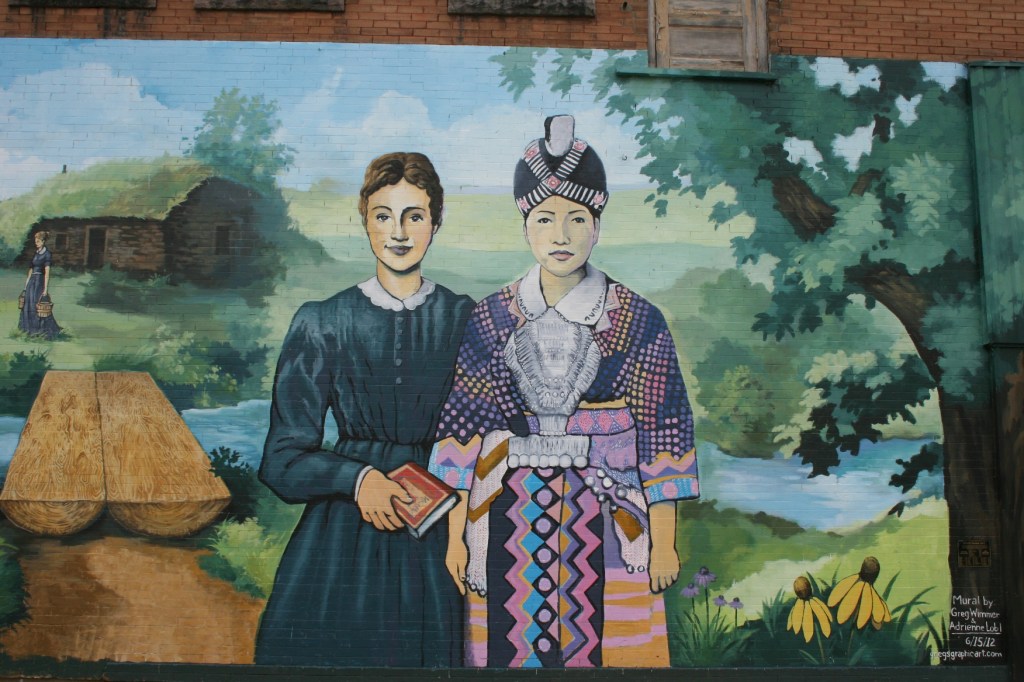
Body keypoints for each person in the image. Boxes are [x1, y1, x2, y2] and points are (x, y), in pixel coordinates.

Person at [429, 116, 699, 668]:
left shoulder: (636, 318)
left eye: (578, 218)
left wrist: (664, 537)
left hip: (613, 507)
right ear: (524, 226)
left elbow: (663, 428)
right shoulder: (492, 317)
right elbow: (465, 432)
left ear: (597, 226)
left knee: (615, 647)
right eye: (545, 218)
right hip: (505, 512)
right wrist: (459, 535)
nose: (561, 235)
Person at [255, 152, 474, 667]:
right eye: (383, 215)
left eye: (413, 215)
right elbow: (282, 459)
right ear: (364, 221)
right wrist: (359, 480)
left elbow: (492, 436)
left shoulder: (468, 319)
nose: (398, 232)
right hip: (344, 535)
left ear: (435, 223)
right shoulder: (322, 322)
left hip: (442, 528)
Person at [18, 231, 61, 340]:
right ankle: (28, 329)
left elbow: (47, 272)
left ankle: (40, 331)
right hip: (32, 281)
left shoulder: (47, 254)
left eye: (38, 241)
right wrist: (25, 286)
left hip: (39, 282)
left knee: (37, 305)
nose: (36, 243)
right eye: (35, 241)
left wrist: (45, 289)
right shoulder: (36, 253)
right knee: (28, 304)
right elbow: (30, 270)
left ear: (43, 241)